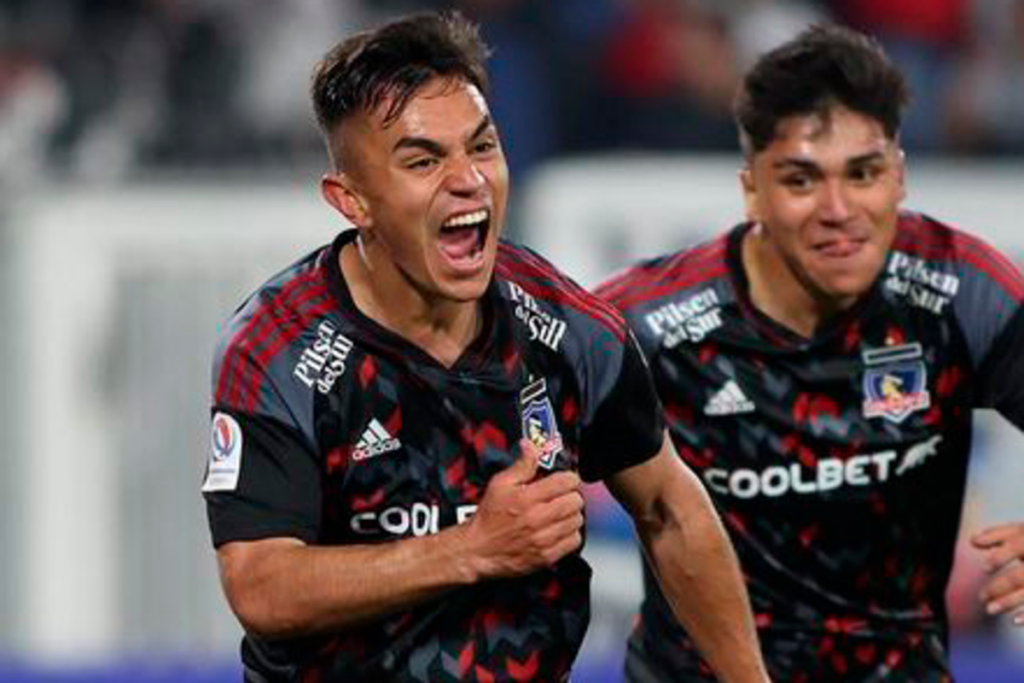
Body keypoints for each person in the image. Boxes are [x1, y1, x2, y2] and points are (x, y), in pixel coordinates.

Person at [201, 11, 769, 682]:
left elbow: (670, 506)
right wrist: (473, 547)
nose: (467, 178)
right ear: (352, 201)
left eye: (482, 146)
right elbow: (261, 586)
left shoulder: (565, 327)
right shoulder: (279, 351)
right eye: (423, 159)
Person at [596, 23, 1024, 682]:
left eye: (864, 173)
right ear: (752, 189)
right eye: (802, 179)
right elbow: (493, 450)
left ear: (900, 176)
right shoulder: (646, 322)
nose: (838, 209)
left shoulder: (960, 290)